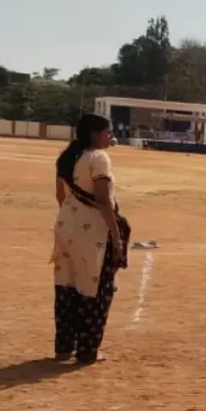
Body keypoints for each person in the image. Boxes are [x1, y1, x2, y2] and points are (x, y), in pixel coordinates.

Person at [50, 114, 129, 364]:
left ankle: (64, 347)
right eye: (107, 132)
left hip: (66, 227)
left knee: (67, 287)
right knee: (96, 288)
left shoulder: (67, 158)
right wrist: (116, 239)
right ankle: (87, 351)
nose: (110, 137)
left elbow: (60, 196)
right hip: (93, 232)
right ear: (95, 134)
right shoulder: (98, 158)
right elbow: (104, 201)